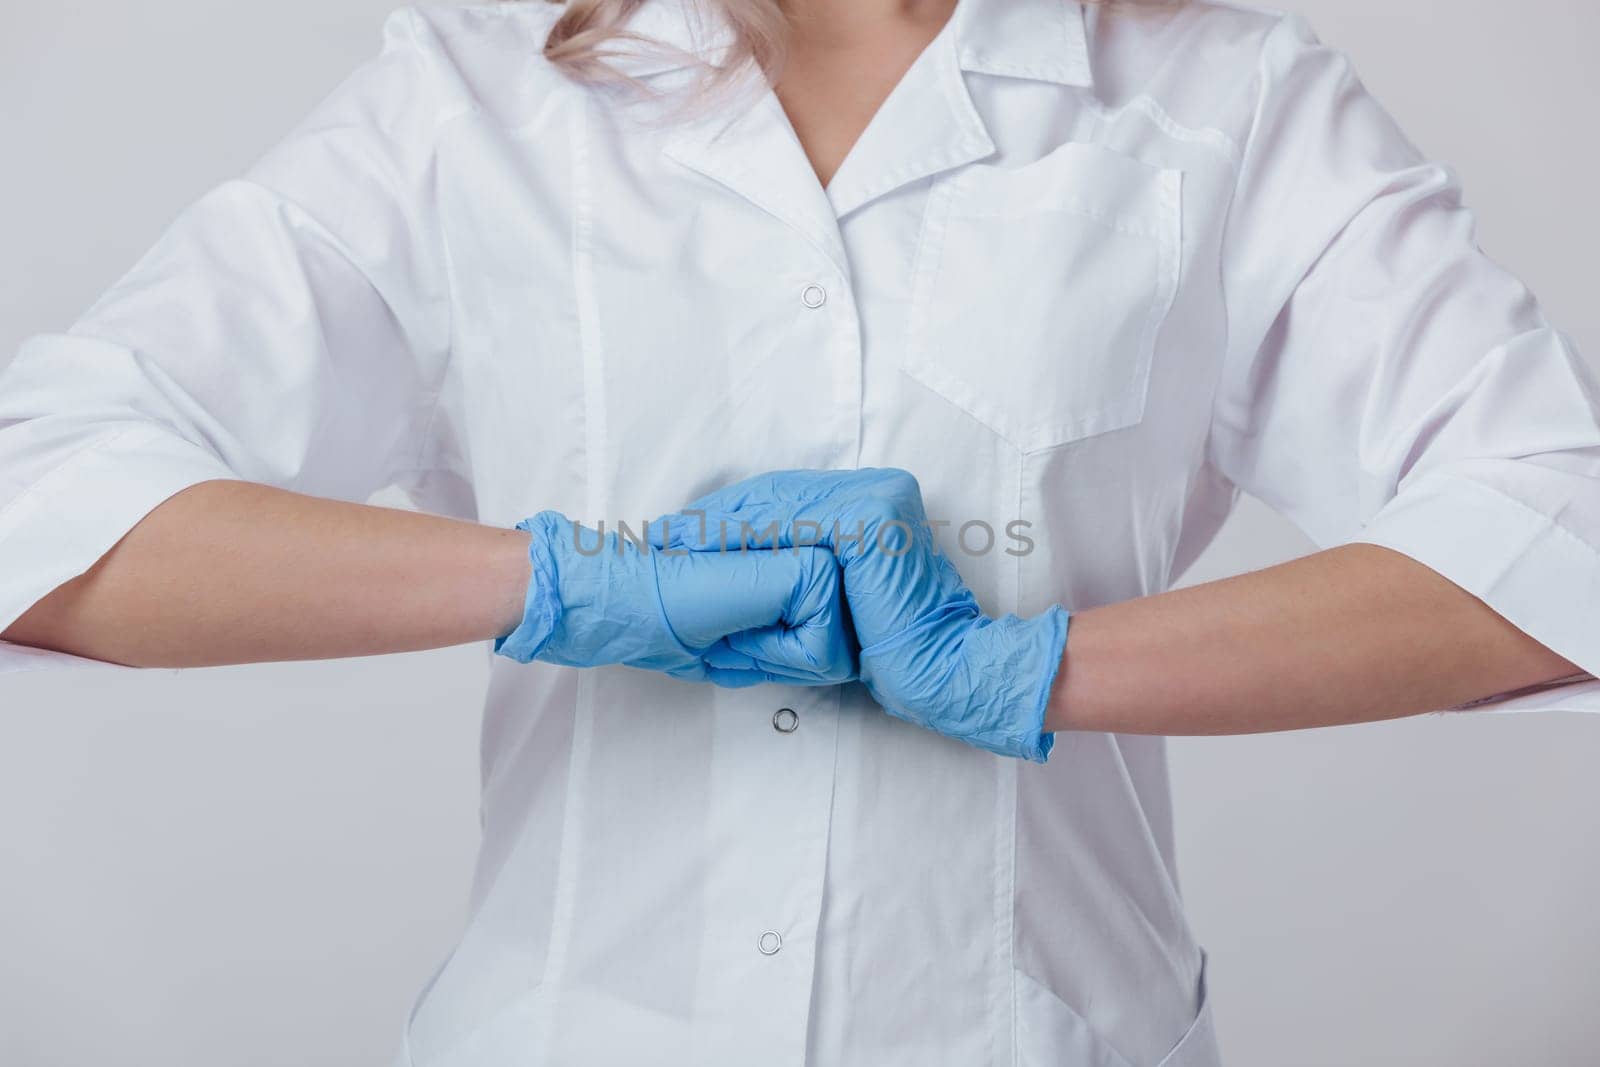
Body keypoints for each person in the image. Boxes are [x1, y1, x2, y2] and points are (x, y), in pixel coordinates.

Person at [2, 0, 1596, 1063]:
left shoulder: (1222, 98)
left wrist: (1025, 666)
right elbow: (45, 499)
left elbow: (1560, 527)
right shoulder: (474, 99)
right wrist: (563, 582)